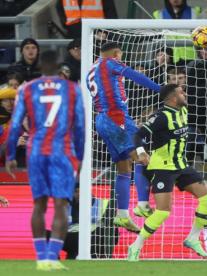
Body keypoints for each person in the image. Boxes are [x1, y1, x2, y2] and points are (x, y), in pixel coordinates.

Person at [5, 50, 85, 271]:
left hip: (36, 151)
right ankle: (52, 257)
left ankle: (41, 258)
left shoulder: (27, 89)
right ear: (60, 67)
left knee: (38, 204)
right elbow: (80, 126)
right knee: (61, 204)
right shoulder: (72, 89)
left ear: (40, 66)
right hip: (62, 152)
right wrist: (81, 158)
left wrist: (10, 155)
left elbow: (15, 124)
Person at [127, 84, 207, 261]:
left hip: (181, 165)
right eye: (181, 92)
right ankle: (135, 246)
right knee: (163, 211)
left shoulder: (183, 111)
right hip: (162, 168)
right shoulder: (160, 117)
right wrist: (141, 151)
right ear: (172, 98)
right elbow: (138, 135)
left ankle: (193, 238)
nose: (185, 93)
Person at [86, 42, 161, 233]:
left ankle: (122, 215)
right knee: (143, 157)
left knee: (124, 167)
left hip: (102, 120)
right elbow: (133, 75)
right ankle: (143, 204)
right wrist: (160, 89)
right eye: (120, 55)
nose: (120, 58)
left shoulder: (91, 70)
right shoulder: (109, 63)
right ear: (116, 53)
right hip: (117, 117)